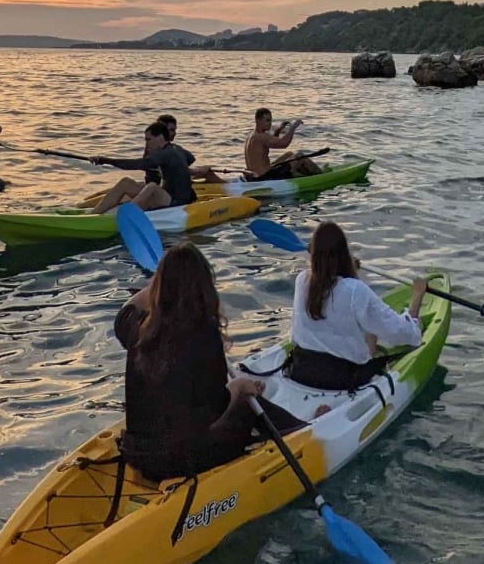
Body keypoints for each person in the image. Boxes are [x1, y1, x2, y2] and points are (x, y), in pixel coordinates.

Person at [114, 243, 304, 480]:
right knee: (246, 406)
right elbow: (216, 407)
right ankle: (304, 431)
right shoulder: (204, 332)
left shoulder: (138, 328)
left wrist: (158, 285)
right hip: (181, 460)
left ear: (159, 288)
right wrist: (239, 388)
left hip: (138, 454)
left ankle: (297, 428)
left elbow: (124, 312)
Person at [288, 222, 429, 391]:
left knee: (365, 325)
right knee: (386, 328)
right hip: (342, 379)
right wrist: (417, 298)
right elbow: (400, 333)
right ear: (344, 254)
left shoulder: (301, 280)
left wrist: (350, 272)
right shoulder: (356, 291)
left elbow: (337, 290)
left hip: (301, 370)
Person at [87, 121, 196, 214]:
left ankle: (125, 215)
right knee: (127, 183)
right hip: (174, 196)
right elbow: (191, 159)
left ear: (160, 137)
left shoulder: (163, 154)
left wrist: (104, 160)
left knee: (151, 186)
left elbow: (136, 164)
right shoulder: (178, 149)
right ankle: (95, 214)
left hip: (175, 202)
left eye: (148, 139)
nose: (147, 144)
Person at [145, 114, 222, 186]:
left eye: (175, 130)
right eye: (171, 130)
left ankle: (225, 187)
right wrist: (199, 170)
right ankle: (229, 189)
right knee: (207, 173)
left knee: (206, 173)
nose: (175, 133)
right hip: (164, 188)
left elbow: (189, 159)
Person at [244, 107, 319, 180]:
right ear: (258, 121)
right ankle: (319, 174)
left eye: (270, 120)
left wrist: (278, 130)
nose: (270, 123)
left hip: (253, 175)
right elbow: (284, 144)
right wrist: (293, 128)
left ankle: (299, 173)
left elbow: (271, 142)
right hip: (264, 176)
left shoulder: (252, 135)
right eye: (267, 120)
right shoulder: (262, 137)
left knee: (289, 154)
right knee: (299, 155)